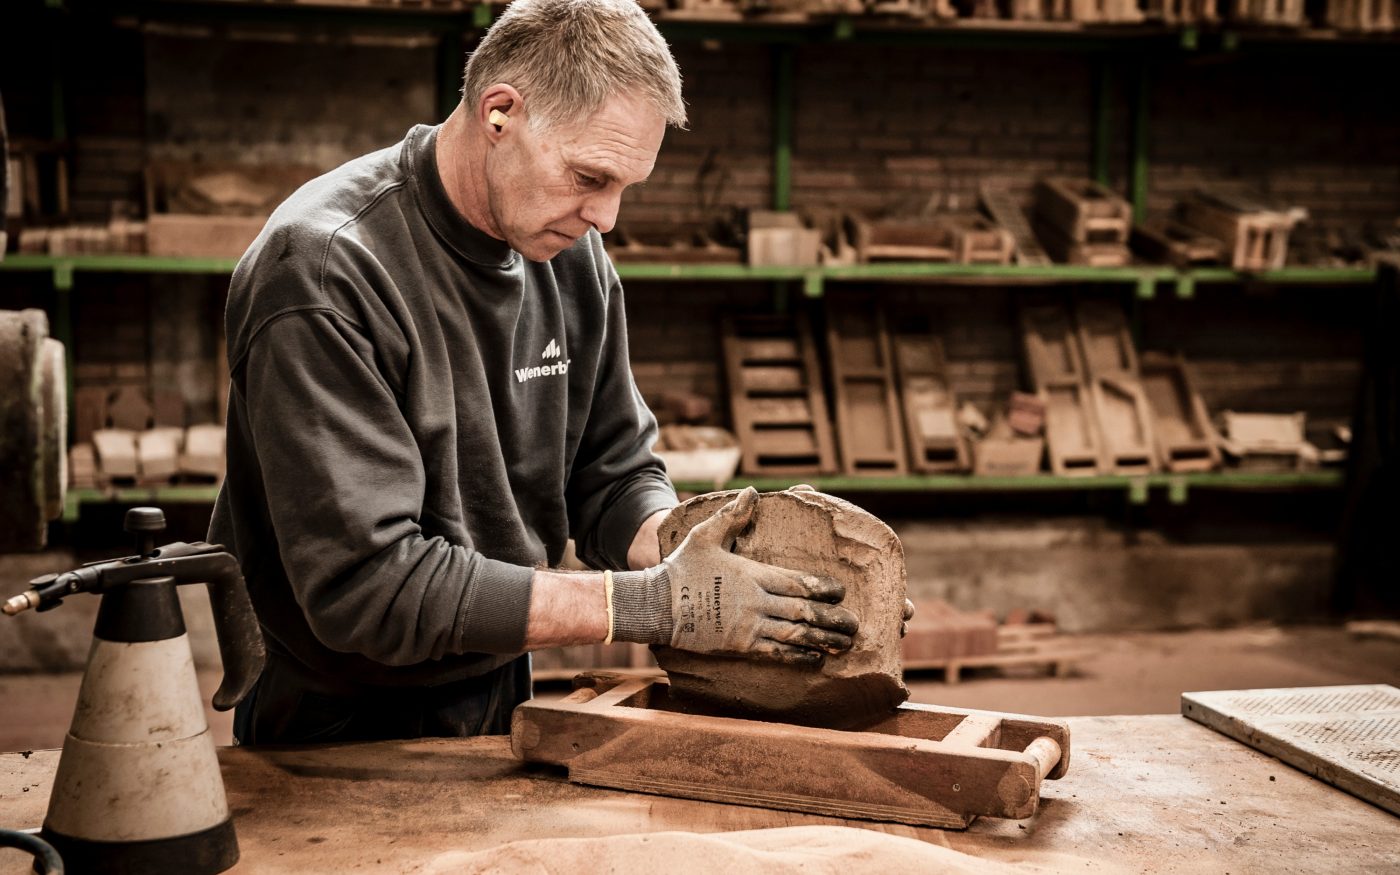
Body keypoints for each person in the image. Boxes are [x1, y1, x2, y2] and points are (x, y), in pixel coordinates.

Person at [210, 0, 862, 745]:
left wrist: (711, 558)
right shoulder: (326, 270)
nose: (606, 217)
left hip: (497, 683)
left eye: (624, 186)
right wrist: (650, 604)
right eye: (590, 176)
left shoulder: (568, 253)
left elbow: (613, 474)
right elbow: (370, 588)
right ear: (500, 114)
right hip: (333, 715)